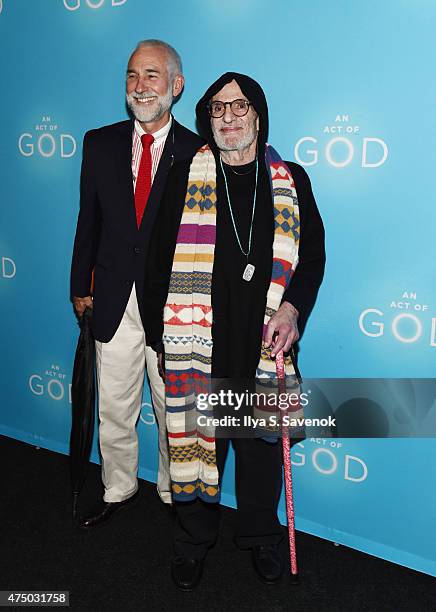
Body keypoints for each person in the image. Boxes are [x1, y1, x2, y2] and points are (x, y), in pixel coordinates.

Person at [145, 72, 325, 589]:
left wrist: (292, 310)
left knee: (259, 451)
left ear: (258, 114)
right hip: (197, 342)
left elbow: (311, 257)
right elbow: (156, 265)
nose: (228, 117)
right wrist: (163, 338)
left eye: (238, 106)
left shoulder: (291, 179)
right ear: (207, 118)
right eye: (218, 109)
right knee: (197, 446)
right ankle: (192, 543)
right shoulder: (182, 175)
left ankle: (260, 538)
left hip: (265, 344)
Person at [70, 40, 204, 529]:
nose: (140, 85)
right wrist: (79, 284)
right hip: (111, 298)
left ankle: (175, 493)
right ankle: (118, 487)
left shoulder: (199, 153)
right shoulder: (99, 142)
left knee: (174, 408)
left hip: (172, 308)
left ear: (176, 85)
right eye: (132, 75)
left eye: (152, 74)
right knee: (115, 402)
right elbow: (89, 221)